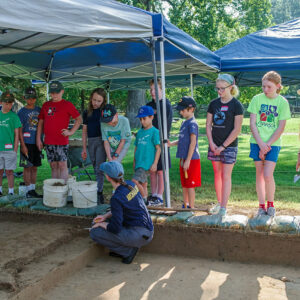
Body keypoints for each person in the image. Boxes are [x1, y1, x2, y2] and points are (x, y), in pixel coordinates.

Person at [89, 161, 154, 264]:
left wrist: (101, 224)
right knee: (107, 222)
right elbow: (125, 206)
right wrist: (105, 216)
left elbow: (115, 228)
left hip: (139, 234)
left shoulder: (116, 198)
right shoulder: (130, 184)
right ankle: (127, 247)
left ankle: (128, 251)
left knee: (95, 232)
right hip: (146, 230)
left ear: (108, 177)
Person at [248, 71, 291, 216]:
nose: (265, 90)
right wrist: (260, 144)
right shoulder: (256, 99)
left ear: (278, 86)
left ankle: (271, 204)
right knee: (259, 175)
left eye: (269, 87)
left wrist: (267, 145)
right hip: (256, 142)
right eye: (263, 86)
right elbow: (252, 124)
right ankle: (261, 206)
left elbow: (281, 127)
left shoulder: (282, 102)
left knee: (267, 175)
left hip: (273, 144)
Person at [206, 74, 244, 216]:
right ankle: (219, 202)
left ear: (231, 87)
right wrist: (211, 143)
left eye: (222, 88)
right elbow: (208, 125)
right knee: (217, 174)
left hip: (229, 146)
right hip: (213, 145)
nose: (219, 91)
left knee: (226, 176)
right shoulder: (213, 104)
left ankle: (223, 207)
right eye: (218, 88)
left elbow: (237, 129)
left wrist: (222, 147)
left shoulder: (236, 105)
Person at [36, 81, 82, 182]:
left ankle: (64, 189)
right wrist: (38, 139)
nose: (54, 95)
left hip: (61, 141)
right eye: (52, 93)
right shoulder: (46, 105)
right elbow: (40, 122)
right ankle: (55, 188)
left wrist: (71, 132)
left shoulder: (67, 105)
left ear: (62, 91)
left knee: (62, 165)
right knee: (53, 165)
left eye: (57, 92)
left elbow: (79, 119)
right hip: (48, 141)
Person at [168, 97, 201, 209]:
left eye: (183, 110)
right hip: (183, 158)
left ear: (191, 109)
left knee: (190, 185)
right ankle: (185, 205)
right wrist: (171, 144)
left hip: (191, 159)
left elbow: (193, 143)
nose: (181, 112)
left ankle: (191, 208)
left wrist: (188, 160)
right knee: (185, 184)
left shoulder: (193, 124)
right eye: (180, 110)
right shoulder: (184, 123)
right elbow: (182, 140)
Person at [146, 79, 173, 204]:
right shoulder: (148, 106)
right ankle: (153, 194)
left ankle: (159, 196)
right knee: (152, 170)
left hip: (161, 142)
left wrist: (163, 140)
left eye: (155, 89)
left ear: (162, 90)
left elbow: (166, 125)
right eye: (151, 89)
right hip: (150, 143)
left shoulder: (166, 104)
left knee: (161, 170)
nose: (152, 92)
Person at [82, 88, 107, 204]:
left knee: (99, 167)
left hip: (102, 141)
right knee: (94, 165)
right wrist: (84, 147)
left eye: (99, 101)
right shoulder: (87, 112)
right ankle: (97, 189)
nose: (95, 103)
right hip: (91, 141)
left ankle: (99, 193)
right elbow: (84, 131)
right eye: (94, 100)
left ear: (103, 101)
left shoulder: (105, 111)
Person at [132, 106, 161, 205]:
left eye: (144, 118)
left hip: (146, 163)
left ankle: (144, 199)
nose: (142, 121)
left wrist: (155, 163)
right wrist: (134, 161)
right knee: (143, 183)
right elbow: (136, 148)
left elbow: (158, 148)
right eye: (140, 119)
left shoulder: (155, 132)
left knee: (134, 181)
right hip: (139, 162)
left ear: (151, 117)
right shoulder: (139, 133)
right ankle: (145, 202)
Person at [18, 87, 43, 198]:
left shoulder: (39, 110)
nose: (31, 100)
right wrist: (22, 145)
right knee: (27, 167)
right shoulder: (21, 112)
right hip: (26, 143)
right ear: (24, 98)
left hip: (36, 143)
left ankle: (33, 190)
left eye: (33, 98)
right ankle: (28, 191)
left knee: (35, 167)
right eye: (28, 98)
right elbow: (19, 130)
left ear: (35, 98)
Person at [0, 92, 22, 196]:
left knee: (9, 172)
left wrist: (15, 149)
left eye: (10, 103)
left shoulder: (14, 117)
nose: (8, 105)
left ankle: (11, 192)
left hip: (10, 150)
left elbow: (17, 134)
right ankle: (0, 190)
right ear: (1, 102)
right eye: (6, 103)